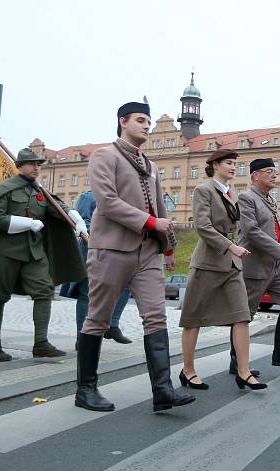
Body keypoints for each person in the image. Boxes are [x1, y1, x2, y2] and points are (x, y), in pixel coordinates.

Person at [75, 100, 195, 413]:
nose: (147, 126)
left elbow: (159, 207)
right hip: (111, 249)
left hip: (147, 253)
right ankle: (85, 389)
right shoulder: (105, 155)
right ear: (122, 121)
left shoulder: (151, 165)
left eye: (149, 121)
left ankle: (163, 390)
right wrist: (152, 223)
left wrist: (167, 245)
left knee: (155, 316)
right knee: (98, 318)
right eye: (141, 120)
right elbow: (108, 202)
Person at [0, 148, 88, 362]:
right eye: (31, 164)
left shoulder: (39, 191)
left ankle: (41, 343)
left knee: (45, 290)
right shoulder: (5, 188)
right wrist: (27, 223)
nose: (36, 167)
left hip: (33, 252)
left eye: (39, 164)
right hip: (5, 251)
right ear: (19, 166)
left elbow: (60, 208)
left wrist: (78, 221)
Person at [178, 149, 266, 391]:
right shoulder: (203, 190)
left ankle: (244, 372)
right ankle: (188, 370)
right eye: (228, 163)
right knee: (193, 318)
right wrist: (230, 247)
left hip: (231, 264)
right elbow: (203, 227)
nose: (233, 168)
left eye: (235, 164)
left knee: (242, 316)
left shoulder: (233, 192)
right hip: (208, 261)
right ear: (215, 165)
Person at [229, 158, 280, 373]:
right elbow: (251, 232)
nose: (275, 175)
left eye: (275, 171)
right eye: (269, 171)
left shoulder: (269, 200)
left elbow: (274, 232)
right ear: (255, 175)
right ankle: (236, 363)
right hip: (255, 265)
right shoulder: (247, 198)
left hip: (277, 267)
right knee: (245, 314)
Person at [61, 189, 133, 345]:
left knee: (126, 285)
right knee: (87, 294)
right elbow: (81, 222)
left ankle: (112, 325)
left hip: (117, 250)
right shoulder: (89, 196)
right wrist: (100, 239)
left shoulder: (121, 195)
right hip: (91, 250)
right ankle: (82, 338)